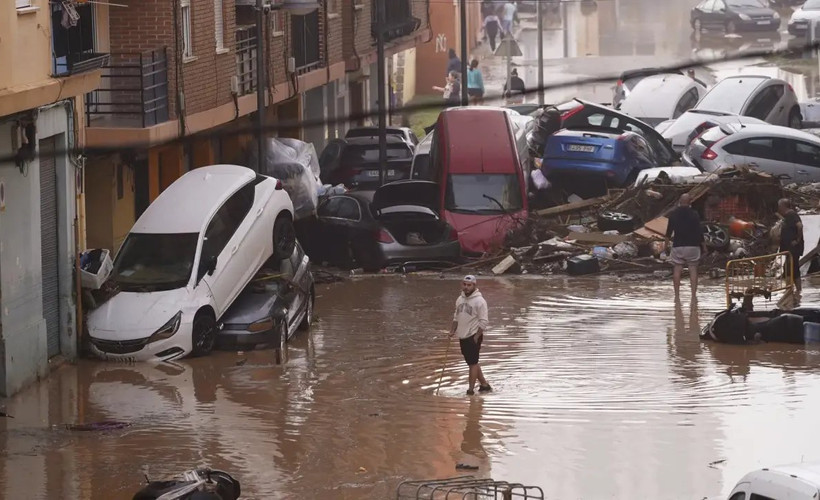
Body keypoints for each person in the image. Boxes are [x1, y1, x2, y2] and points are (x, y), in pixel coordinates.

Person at [450, 275, 491, 396]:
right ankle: (484, 385)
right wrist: (452, 331)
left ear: (474, 286)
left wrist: (476, 336)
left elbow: (484, 321)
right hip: (462, 335)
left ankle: (470, 390)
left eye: (469, 285)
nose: (466, 287)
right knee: (472, 362)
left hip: (473, 335)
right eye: (464, 285)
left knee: (472, 363)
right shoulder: (459, 299)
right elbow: (456, 317)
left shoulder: (480, 301)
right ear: (461, 285)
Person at [665, 193, 706, 298]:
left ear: (679, 201)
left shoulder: (673, 214)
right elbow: (699, 232)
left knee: (677, 269)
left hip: (678, 245)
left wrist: (666, 246)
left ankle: (677, 296)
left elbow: (668, 232)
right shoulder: (694, 214)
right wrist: (704, 246)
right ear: (690, 202)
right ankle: (693, 296)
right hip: (693, 246)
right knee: (693, 269)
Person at [778, 198, 804, 293]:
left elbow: (800, 226)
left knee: (793, 268)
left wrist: (797, 240)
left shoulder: (792, 214)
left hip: (793, 248)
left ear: (783, 206)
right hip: (789, 248)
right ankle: (791, 289)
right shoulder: (787, 216)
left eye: (779, 206)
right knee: (789, 268)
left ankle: (794, 290)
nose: (778, 208)